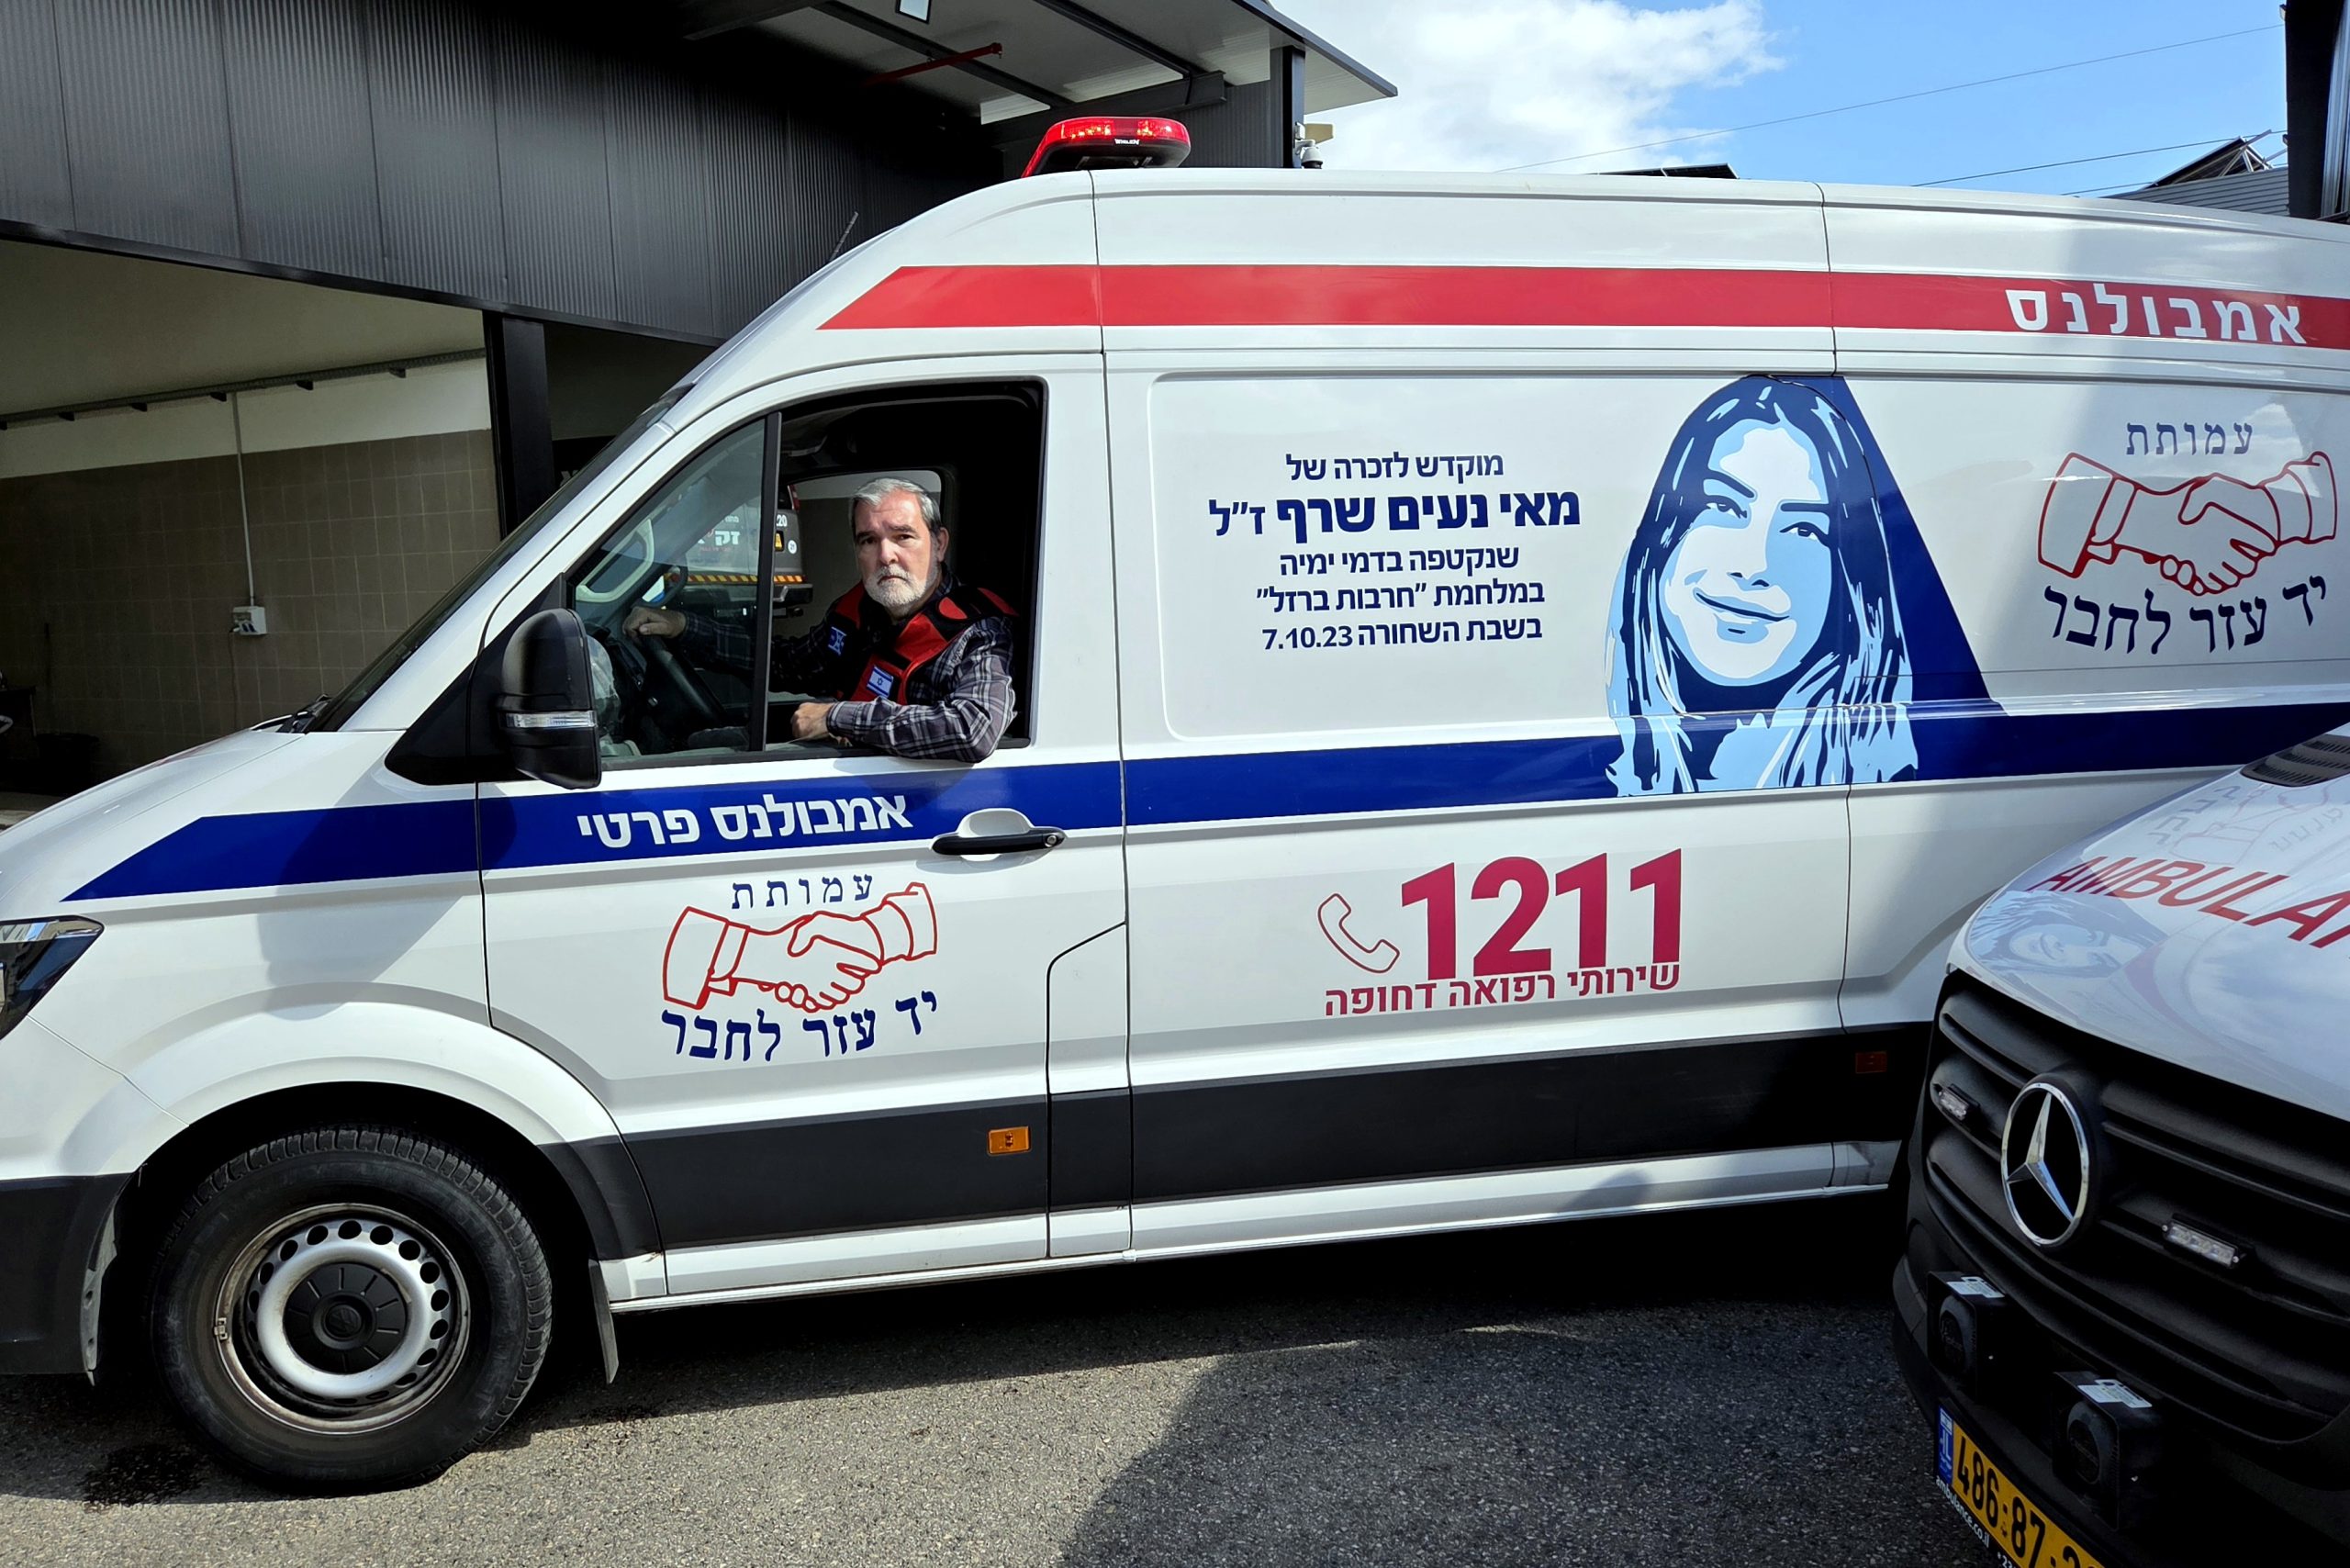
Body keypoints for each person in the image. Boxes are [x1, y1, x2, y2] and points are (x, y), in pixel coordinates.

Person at [1606, 377, 1917, 795]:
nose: (1754, 566)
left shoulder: (1888, 774)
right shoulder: (1587, 754)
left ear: (1851, 585)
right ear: (1662, 537)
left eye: (1804, 529)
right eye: (1723, 505)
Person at [626, 476, 1016, 762]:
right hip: (847, 776)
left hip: (912, 810)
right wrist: (684, 627)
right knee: (696, 748)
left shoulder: (979, 630)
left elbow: (973, 729)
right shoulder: (862, 608)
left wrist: (837, 717)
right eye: (869, 540)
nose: (886, 556)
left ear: (939, 544)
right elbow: (789, 664)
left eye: (903, 537)